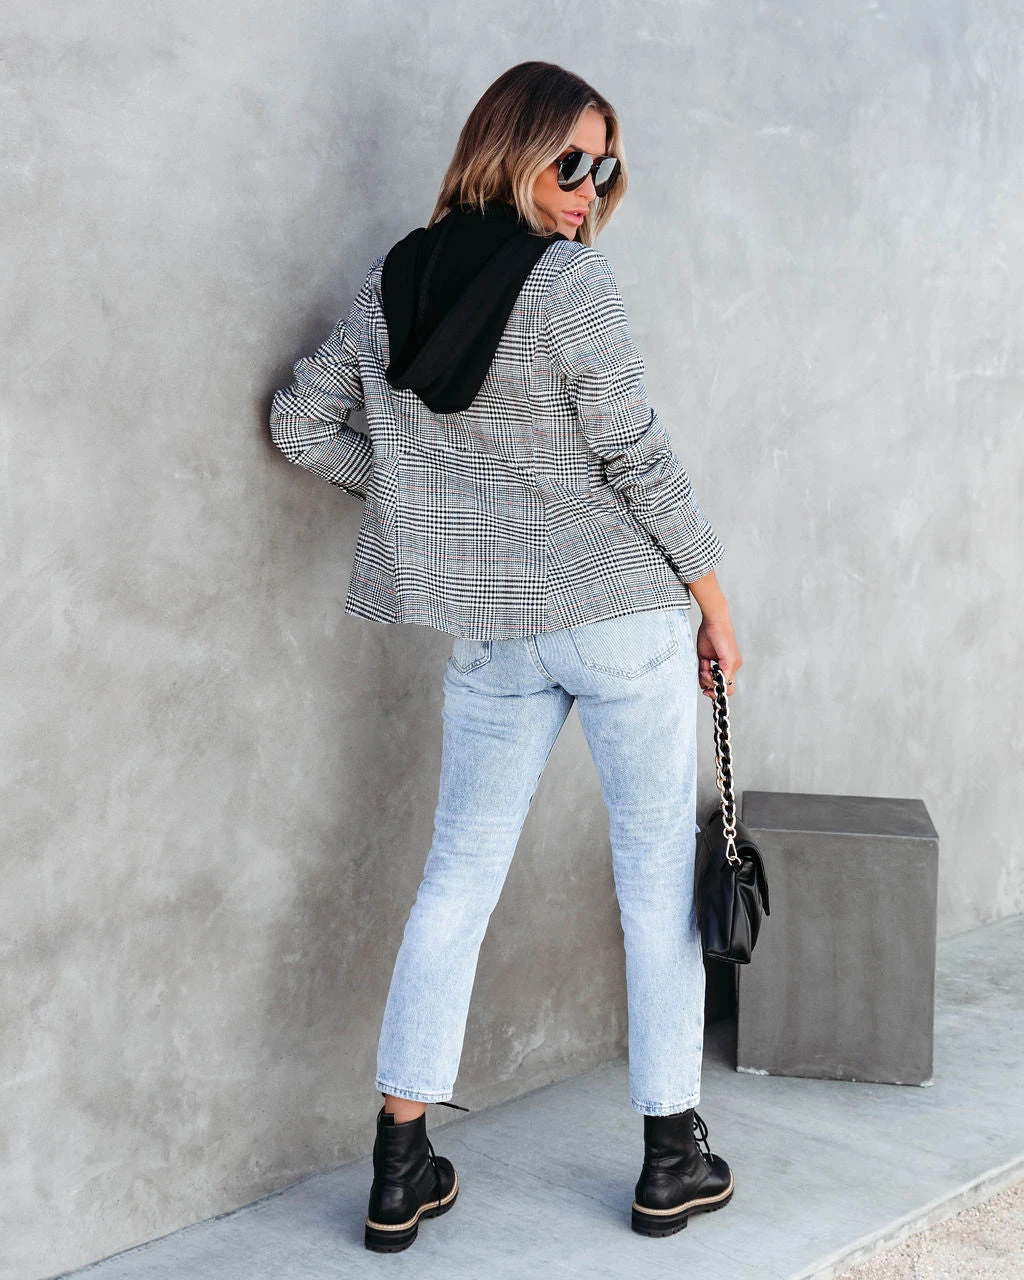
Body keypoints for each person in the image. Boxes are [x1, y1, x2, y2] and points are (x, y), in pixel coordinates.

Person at [269, 60, 743, 1252]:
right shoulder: (571, 284)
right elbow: (636, 455)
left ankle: (399, 1163)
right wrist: (714, 601)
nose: (589, 188)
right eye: (570, 160)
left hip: (492, 633)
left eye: (606, 167)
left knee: (456, 880)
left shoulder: (395, 280)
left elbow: (299, 423)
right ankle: (671, 1156)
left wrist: (437, 512)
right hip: (621, 612)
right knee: (651, 883)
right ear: (509, 145)